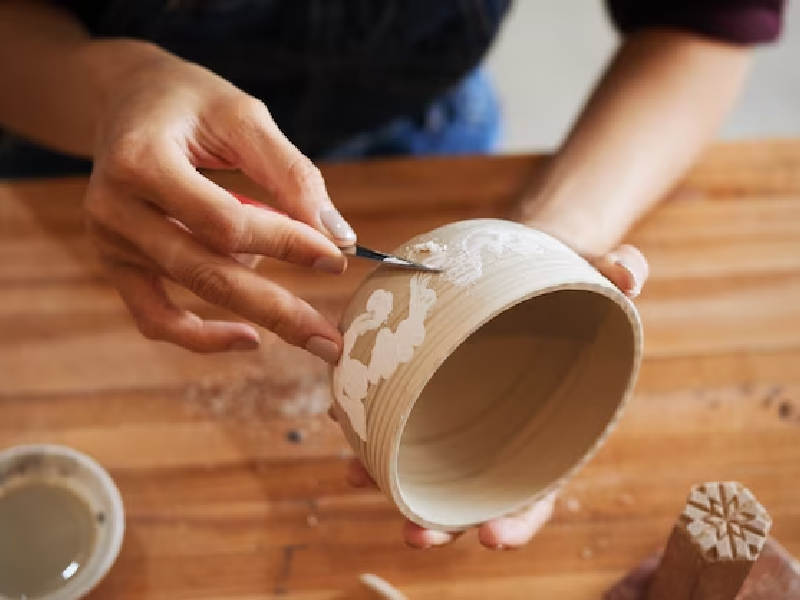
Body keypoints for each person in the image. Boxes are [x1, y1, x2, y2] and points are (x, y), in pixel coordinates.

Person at [0, 0, 785, 550]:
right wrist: (112, 88)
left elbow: (704, 25)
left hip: (425, 138)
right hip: (103, 165)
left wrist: (548, 242)